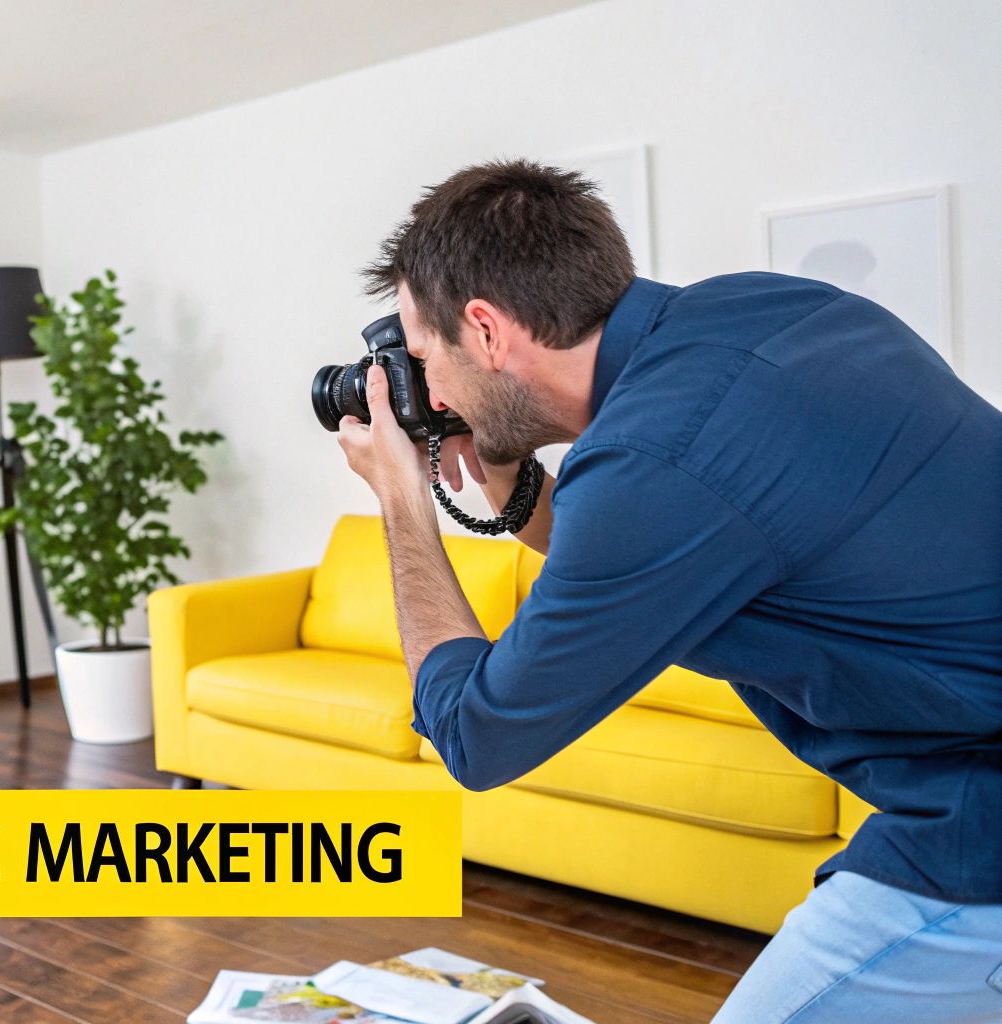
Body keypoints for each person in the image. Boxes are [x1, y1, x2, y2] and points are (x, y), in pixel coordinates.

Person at [333, 159, 1002, 1022]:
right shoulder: (765, 310)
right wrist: (504, 477)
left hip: (977, 817)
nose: (431, 390)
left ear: (489, 332)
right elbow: (640, 545)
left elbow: (477, 738)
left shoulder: (653, 461)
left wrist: (402, 503)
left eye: (426, 357)